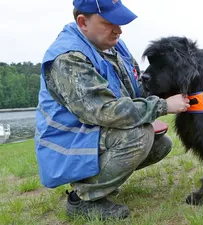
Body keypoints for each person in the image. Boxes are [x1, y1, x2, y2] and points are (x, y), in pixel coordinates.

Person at [34, 0, 190, 220]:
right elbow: (106, 111)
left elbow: (137, 89)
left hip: (91, 134)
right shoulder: (68, 58)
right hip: (67, 143)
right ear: (83, 22)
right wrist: (164, 105)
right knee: (139, 135)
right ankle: (82, 201)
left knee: (161, 144)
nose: (118, 29)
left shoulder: (114, 45)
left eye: (120, 22)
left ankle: (97, 183)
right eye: (109, 22)